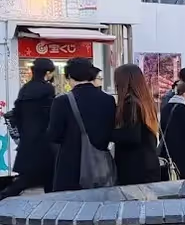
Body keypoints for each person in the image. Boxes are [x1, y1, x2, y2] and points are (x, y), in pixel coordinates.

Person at [46, 57, 116, 192]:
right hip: (99, 164)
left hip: (70, 167)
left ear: (69, 76)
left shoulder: (61, 101)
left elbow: (54, 135)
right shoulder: (108, 99)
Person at [0, 58, 56, 198]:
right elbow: (50, 114)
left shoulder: (25, 89)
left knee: (29, 177)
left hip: (27, 138)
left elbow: (18, 113)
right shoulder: (48, 88)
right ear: (47, 73)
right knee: (47, 176)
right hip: (43, 139)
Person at [110, 64, 161, 185]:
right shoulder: (146, 102)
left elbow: (131, 136)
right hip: (149, 163)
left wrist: (108, 133)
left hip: (134, 167)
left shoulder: (131, 103)